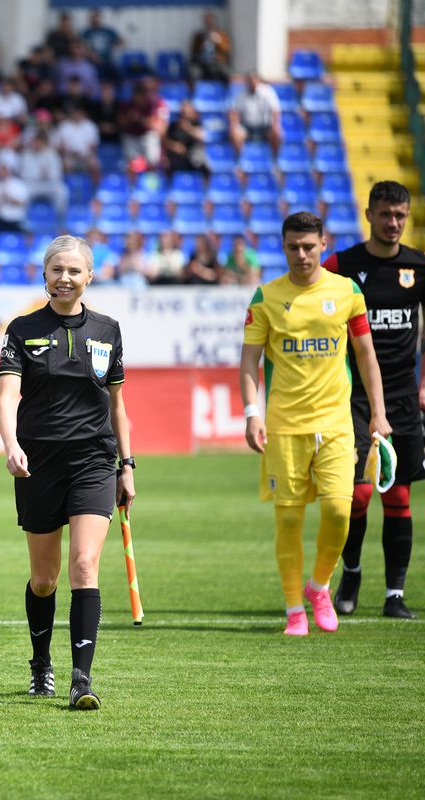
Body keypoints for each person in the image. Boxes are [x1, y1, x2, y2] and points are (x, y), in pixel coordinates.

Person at [0, 235, 134, 710]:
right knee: (44, 579)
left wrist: (127, 465)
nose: (65, 278)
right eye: (57, 270)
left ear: (90, 276)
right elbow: (7, 396)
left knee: (84, 566)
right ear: (45, 274)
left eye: (75, 271)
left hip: (94, 460)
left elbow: (118, 405)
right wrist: (11, 445)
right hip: (37, 464)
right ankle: (41, 664)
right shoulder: (21, 329)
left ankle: (82, 678)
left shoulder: (108, 330)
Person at [239, 211, 390, 637]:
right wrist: (252, 413)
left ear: (323, 244)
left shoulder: (347, 292)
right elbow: (249, 360)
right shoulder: (265, 297)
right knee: (288, 521)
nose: (302, 255)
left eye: (309, 246)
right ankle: (294, 609)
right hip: (284, 425)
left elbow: (366, 355)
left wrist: (378, 413)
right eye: (293, 247)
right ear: (283, 247)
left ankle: (319, 586)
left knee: (341, 511)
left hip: (338, 423)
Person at [323, 181, 425, 619]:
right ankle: (352, 572)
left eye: (400, 215)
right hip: (354, 398)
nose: (393, 223)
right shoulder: (342, 265)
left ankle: (395, 595)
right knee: (358, 497)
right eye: (385, 214)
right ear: (369, 215)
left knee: (398, 496)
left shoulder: (418, 266)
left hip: (402, 396)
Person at [230, 72, 282, 155]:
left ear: (258, 81)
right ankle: (240, 161)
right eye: (249, 81)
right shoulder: (240, 94)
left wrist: (275, 126)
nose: (252, 83)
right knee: (236, 134)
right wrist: (235, 126)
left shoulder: (268, 92)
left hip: (265, 127)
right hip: (247, 127)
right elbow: (235, 113)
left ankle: (275, 161)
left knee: (277, 133)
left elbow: (275, 110)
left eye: (254, 80)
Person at [191, 11, 231, 82]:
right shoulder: (199, 35)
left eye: (210, 22)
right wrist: (202, 44)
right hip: (203, 63)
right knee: (194, 73)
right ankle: (199, 92)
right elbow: (193, 51)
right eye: (207, 22)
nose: (209, 24)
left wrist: (217, 41)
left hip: (218, 63)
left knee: (226, 74)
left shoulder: (221, 34)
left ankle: (224, 92)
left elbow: (226, 50)